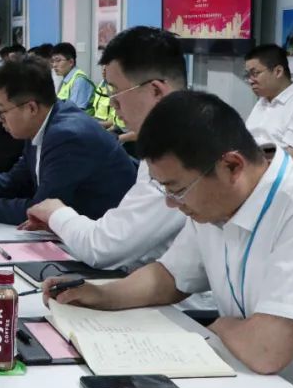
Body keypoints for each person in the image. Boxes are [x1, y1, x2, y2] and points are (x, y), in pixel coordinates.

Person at [44, 91, 293, 388]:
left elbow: (266, 349)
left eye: (177, 189)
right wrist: (100, 295)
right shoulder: (218, 203)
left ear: (232, 166)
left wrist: (220, 326)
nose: (171, 203)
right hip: (250, 383)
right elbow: (170, 276)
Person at [22, 27, 191, 270]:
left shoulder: (180, 150)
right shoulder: (163, 138)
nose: (112, 103)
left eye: (116, 91)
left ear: (156, 90)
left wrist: (55, 212)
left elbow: (104, 247)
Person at [0, 57, 136, 225]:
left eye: (2, 111)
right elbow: (16, 180)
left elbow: (42, 209)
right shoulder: (42, 123)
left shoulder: (66, 135)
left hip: (108, 240)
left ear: (31, 108)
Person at [243, 44, 293, 151]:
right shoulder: (263, 100)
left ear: (278, 72)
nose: (250, 80)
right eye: (248, 75)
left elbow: (292, 153)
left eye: (255, 73)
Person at [51, 42, 96, 111]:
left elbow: (75, 112)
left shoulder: (79, 80)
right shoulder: (66, 80)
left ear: (71, 62)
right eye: (53, 61)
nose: (54, 65)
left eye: (58, 60)